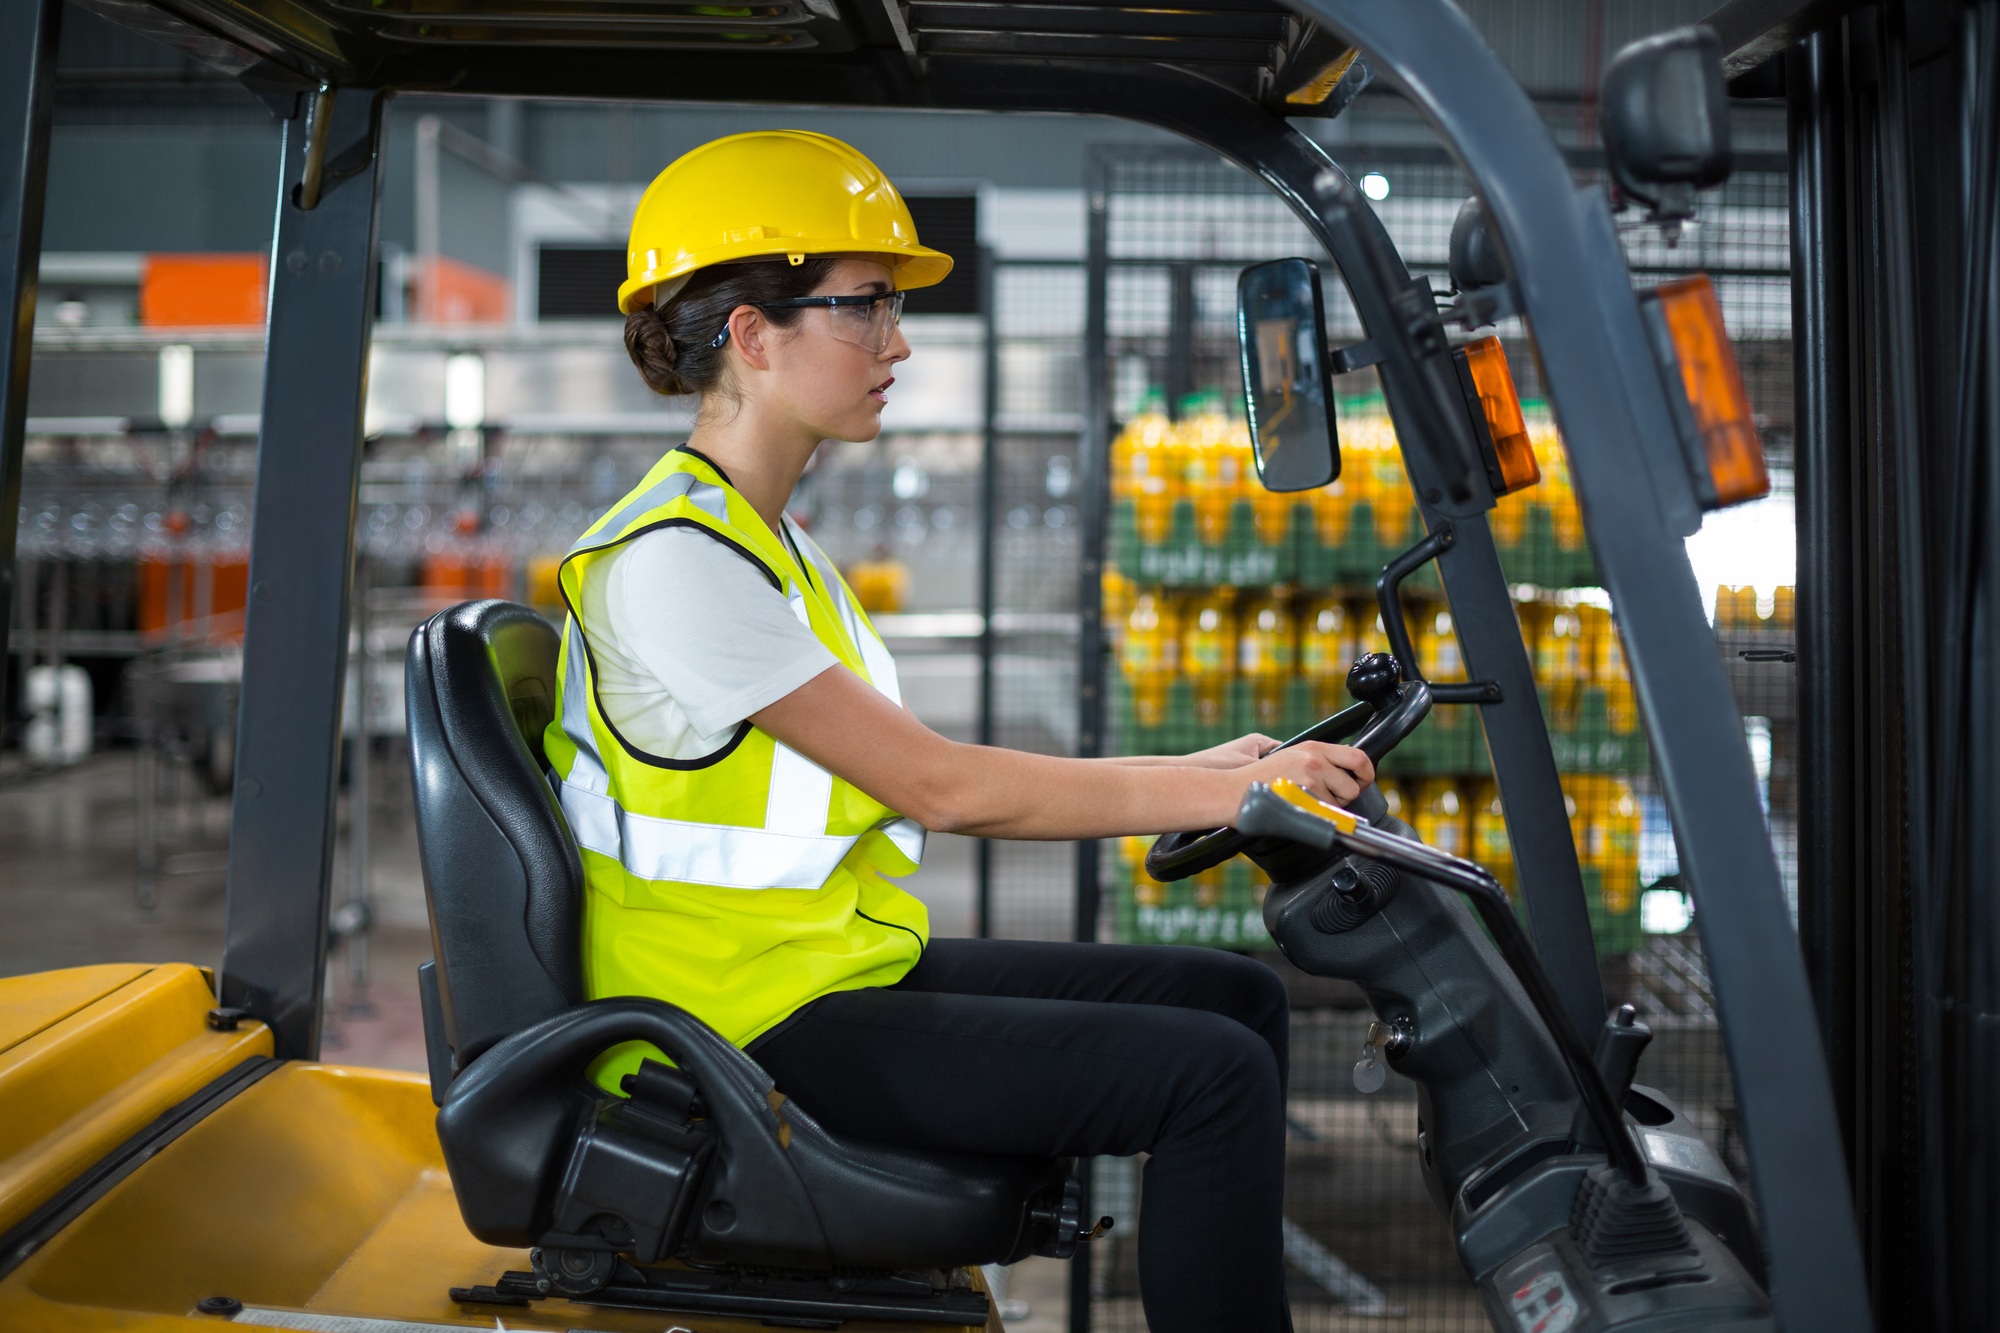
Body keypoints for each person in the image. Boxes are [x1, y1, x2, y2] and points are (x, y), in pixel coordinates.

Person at [545, 129, 1375, 1333]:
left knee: (1229, 1001)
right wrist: (1218, 797)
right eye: (863, 309)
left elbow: (928, 772)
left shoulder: (764, 547)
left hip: (815, 975)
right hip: (727, 1029)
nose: (898, 341)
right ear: (751, 333)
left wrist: (1207, 769)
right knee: (1211, 1077)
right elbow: (941, 789)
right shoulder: (676, 565)